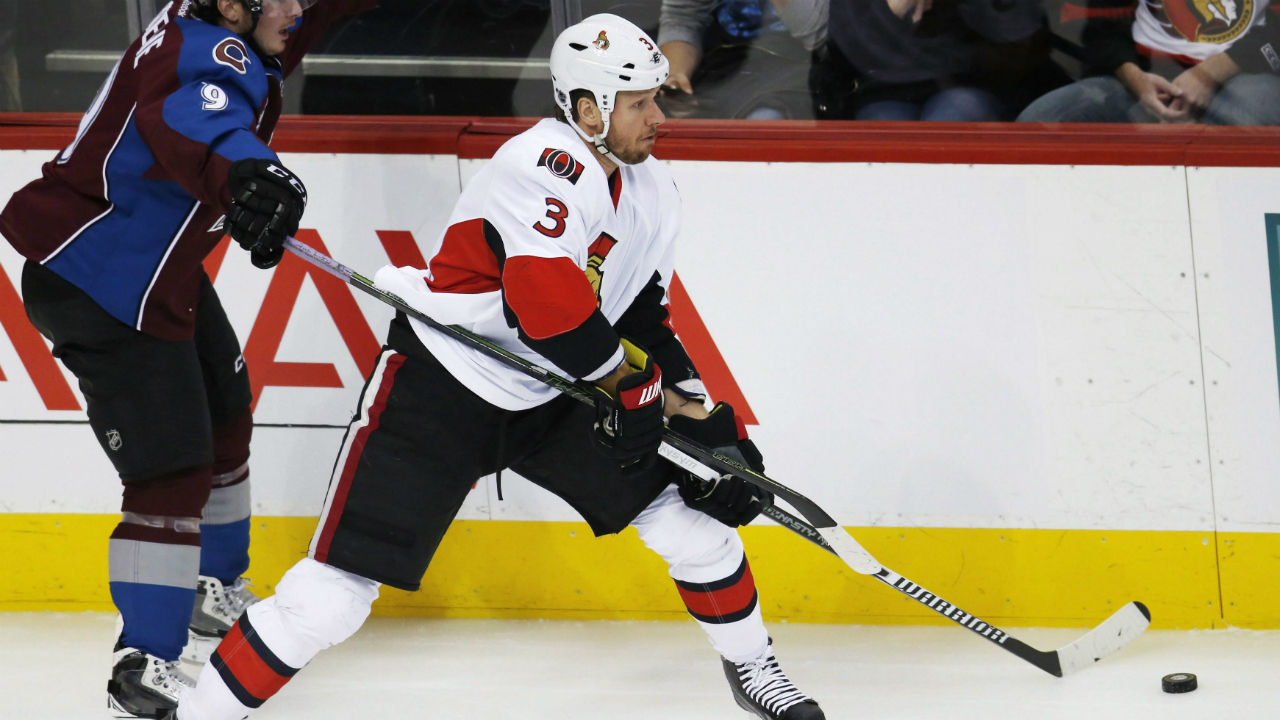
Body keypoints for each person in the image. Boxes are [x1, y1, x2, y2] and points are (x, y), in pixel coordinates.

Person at [172, 14, 824, 720]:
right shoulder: (540, 164)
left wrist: (701, 421)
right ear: (586, 109)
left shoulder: (652, 191)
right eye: (639, 103)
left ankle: (756, 671)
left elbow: (639, 318)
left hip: (554, 391)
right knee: (329, 600)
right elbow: (545, 306)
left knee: (691, 527)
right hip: (443, 383)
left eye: (655, 100)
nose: (657, 117)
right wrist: (629, 391)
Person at [0, 0, 376, 717]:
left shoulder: (230, 23)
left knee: (226, 418)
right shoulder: (209, 50)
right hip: (102, 278)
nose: (296, 11)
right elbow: (193, 121)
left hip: (154, 275)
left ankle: (212, 589)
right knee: (170, 471)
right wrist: (248, 175)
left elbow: (277, 38)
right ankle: (142, 662)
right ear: (234, 7)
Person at [1016, 0, 1280, 124]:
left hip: (1243, 72)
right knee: (1040, 120)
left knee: (1247, 117)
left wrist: (1207, 75)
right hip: (1142, 81)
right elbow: (1103, 28)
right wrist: (1136, 80)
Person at [807, 0, 1057, 120]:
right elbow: (842, 46)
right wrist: (892, 9)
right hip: (882, 90)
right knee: (886, 133)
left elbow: (1024, 38)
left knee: (952, 119)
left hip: (970, 83)